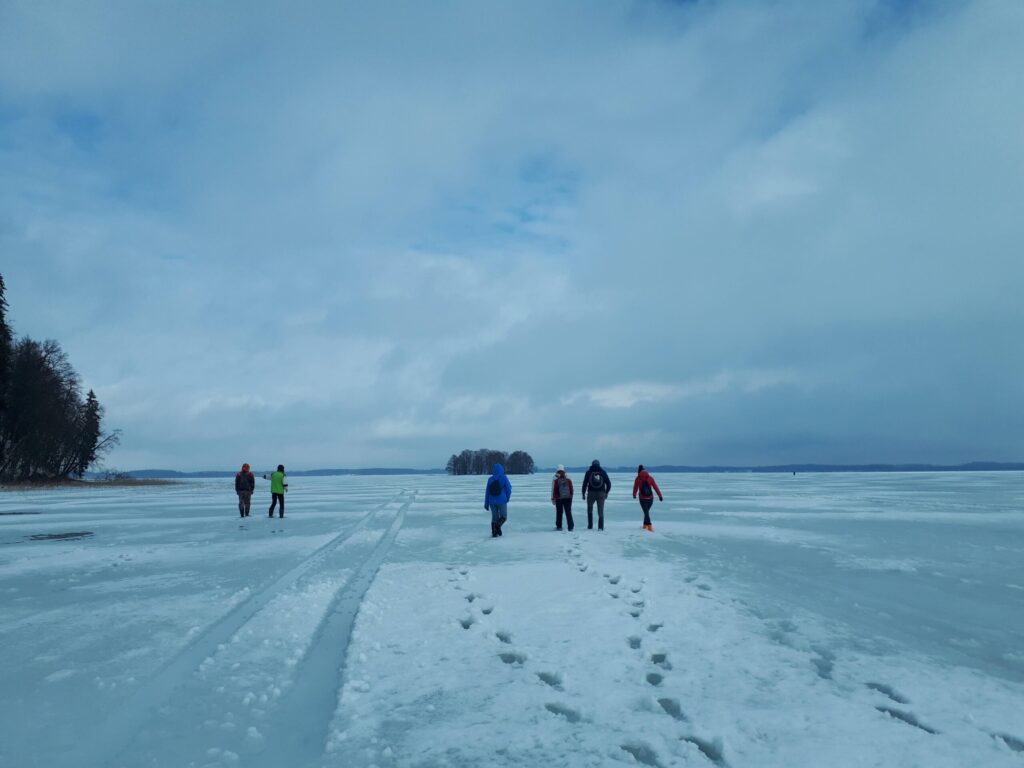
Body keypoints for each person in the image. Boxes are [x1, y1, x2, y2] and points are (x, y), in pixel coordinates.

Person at [632, 464, 663, 532]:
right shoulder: (650, 478)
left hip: (642, 498)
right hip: (650, 498)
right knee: (646, 512)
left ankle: (649, 526)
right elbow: (655, 487)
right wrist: (660, 496)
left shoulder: (638, 478)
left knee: (646, 512)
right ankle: (645, 525)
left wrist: (634, 494)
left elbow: (635, 487)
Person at [484, 463, 512, 537]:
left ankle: (494, 532)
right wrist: (507, 498)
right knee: (504, 516)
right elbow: (509, 489)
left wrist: (486, 504)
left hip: (492, 501)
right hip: (502, 500)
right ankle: (498, 526)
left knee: (494, 517)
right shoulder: (504, 478)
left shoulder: (490, 479)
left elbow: (487, 492)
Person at [581, 459, 611, 531]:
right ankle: (600, 527)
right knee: (600, 511)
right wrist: (606, 492)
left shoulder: (588, 472)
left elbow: (585, 484)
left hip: (591, 493)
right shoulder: (603, 472)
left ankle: (590, 526)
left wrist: (583, 493)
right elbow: (609, 484)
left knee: (589, 509)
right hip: (601, 493)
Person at [550, 464, 574, 532]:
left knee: (559, 512)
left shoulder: (555, 477)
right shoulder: (568, 476)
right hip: (568, 498)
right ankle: (570, 527)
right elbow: (571, 487)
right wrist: (571, 495)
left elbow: (553, 489)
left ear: (557, 469)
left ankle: (559, 526)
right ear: (563, 469)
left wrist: (552, 498)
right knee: (568, 512)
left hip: (558, 498)